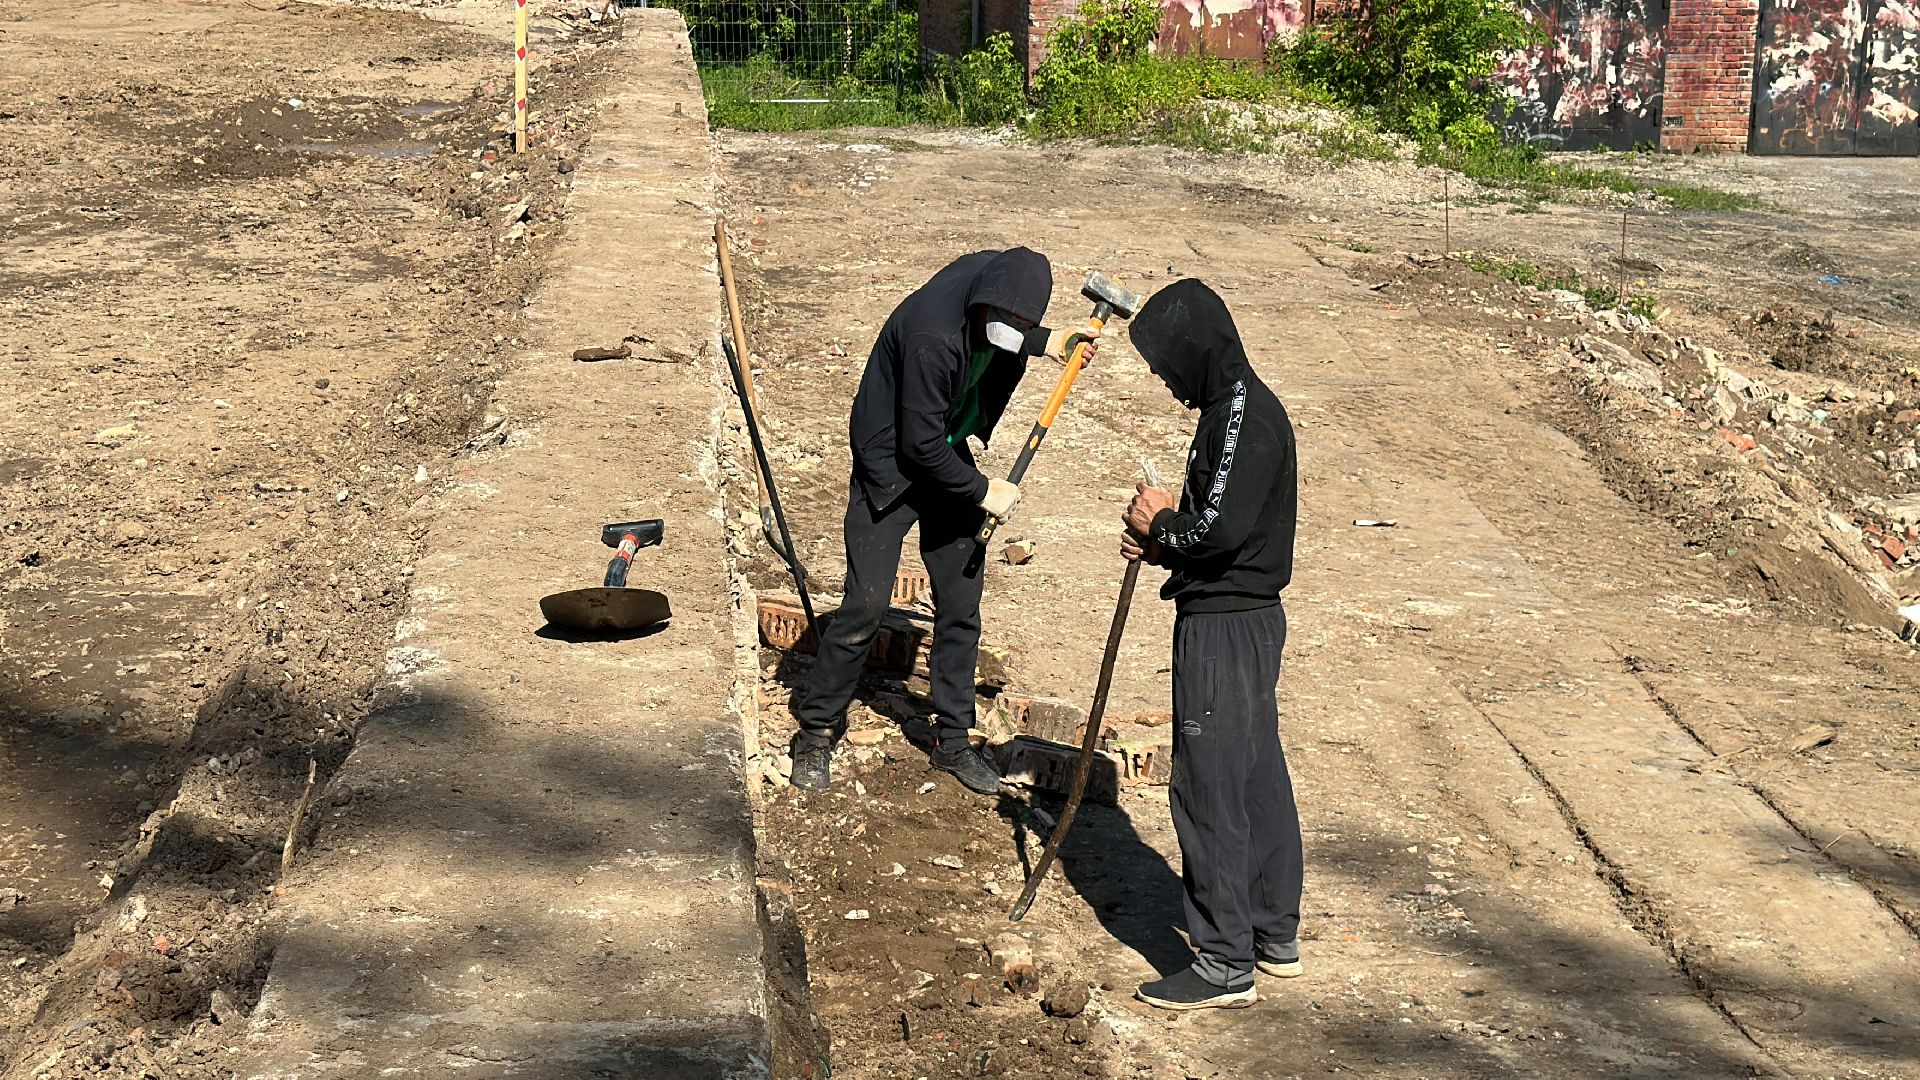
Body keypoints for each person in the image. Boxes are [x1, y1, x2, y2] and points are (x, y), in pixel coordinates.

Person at [790, 247, 1088, 794]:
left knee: (960, 604)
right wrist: (983, 490)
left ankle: (952, 743)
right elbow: (919, 446)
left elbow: (1007, 323)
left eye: (1021, 324)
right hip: (893, 462)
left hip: (942, 445)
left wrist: (1048, 342)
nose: (1010, 330)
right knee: (865, 606)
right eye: (1005, 323)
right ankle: (815, 734)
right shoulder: (932, 337)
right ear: (980, 305)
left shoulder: (993, 281)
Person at [1118, 279, 1302, 1011]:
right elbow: (1228, 530)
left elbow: (1217, 530)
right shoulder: (1236, 411)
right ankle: (1270, 933)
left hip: (1224, 631)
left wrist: (1163, 525)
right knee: (1255, 774)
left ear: (1197, 351)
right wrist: (1160, 543)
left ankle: (1225, 962)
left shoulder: (1241, 418)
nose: (1165, 380)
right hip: (1246, 616)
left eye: (1166, 365)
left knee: (1209, 787)